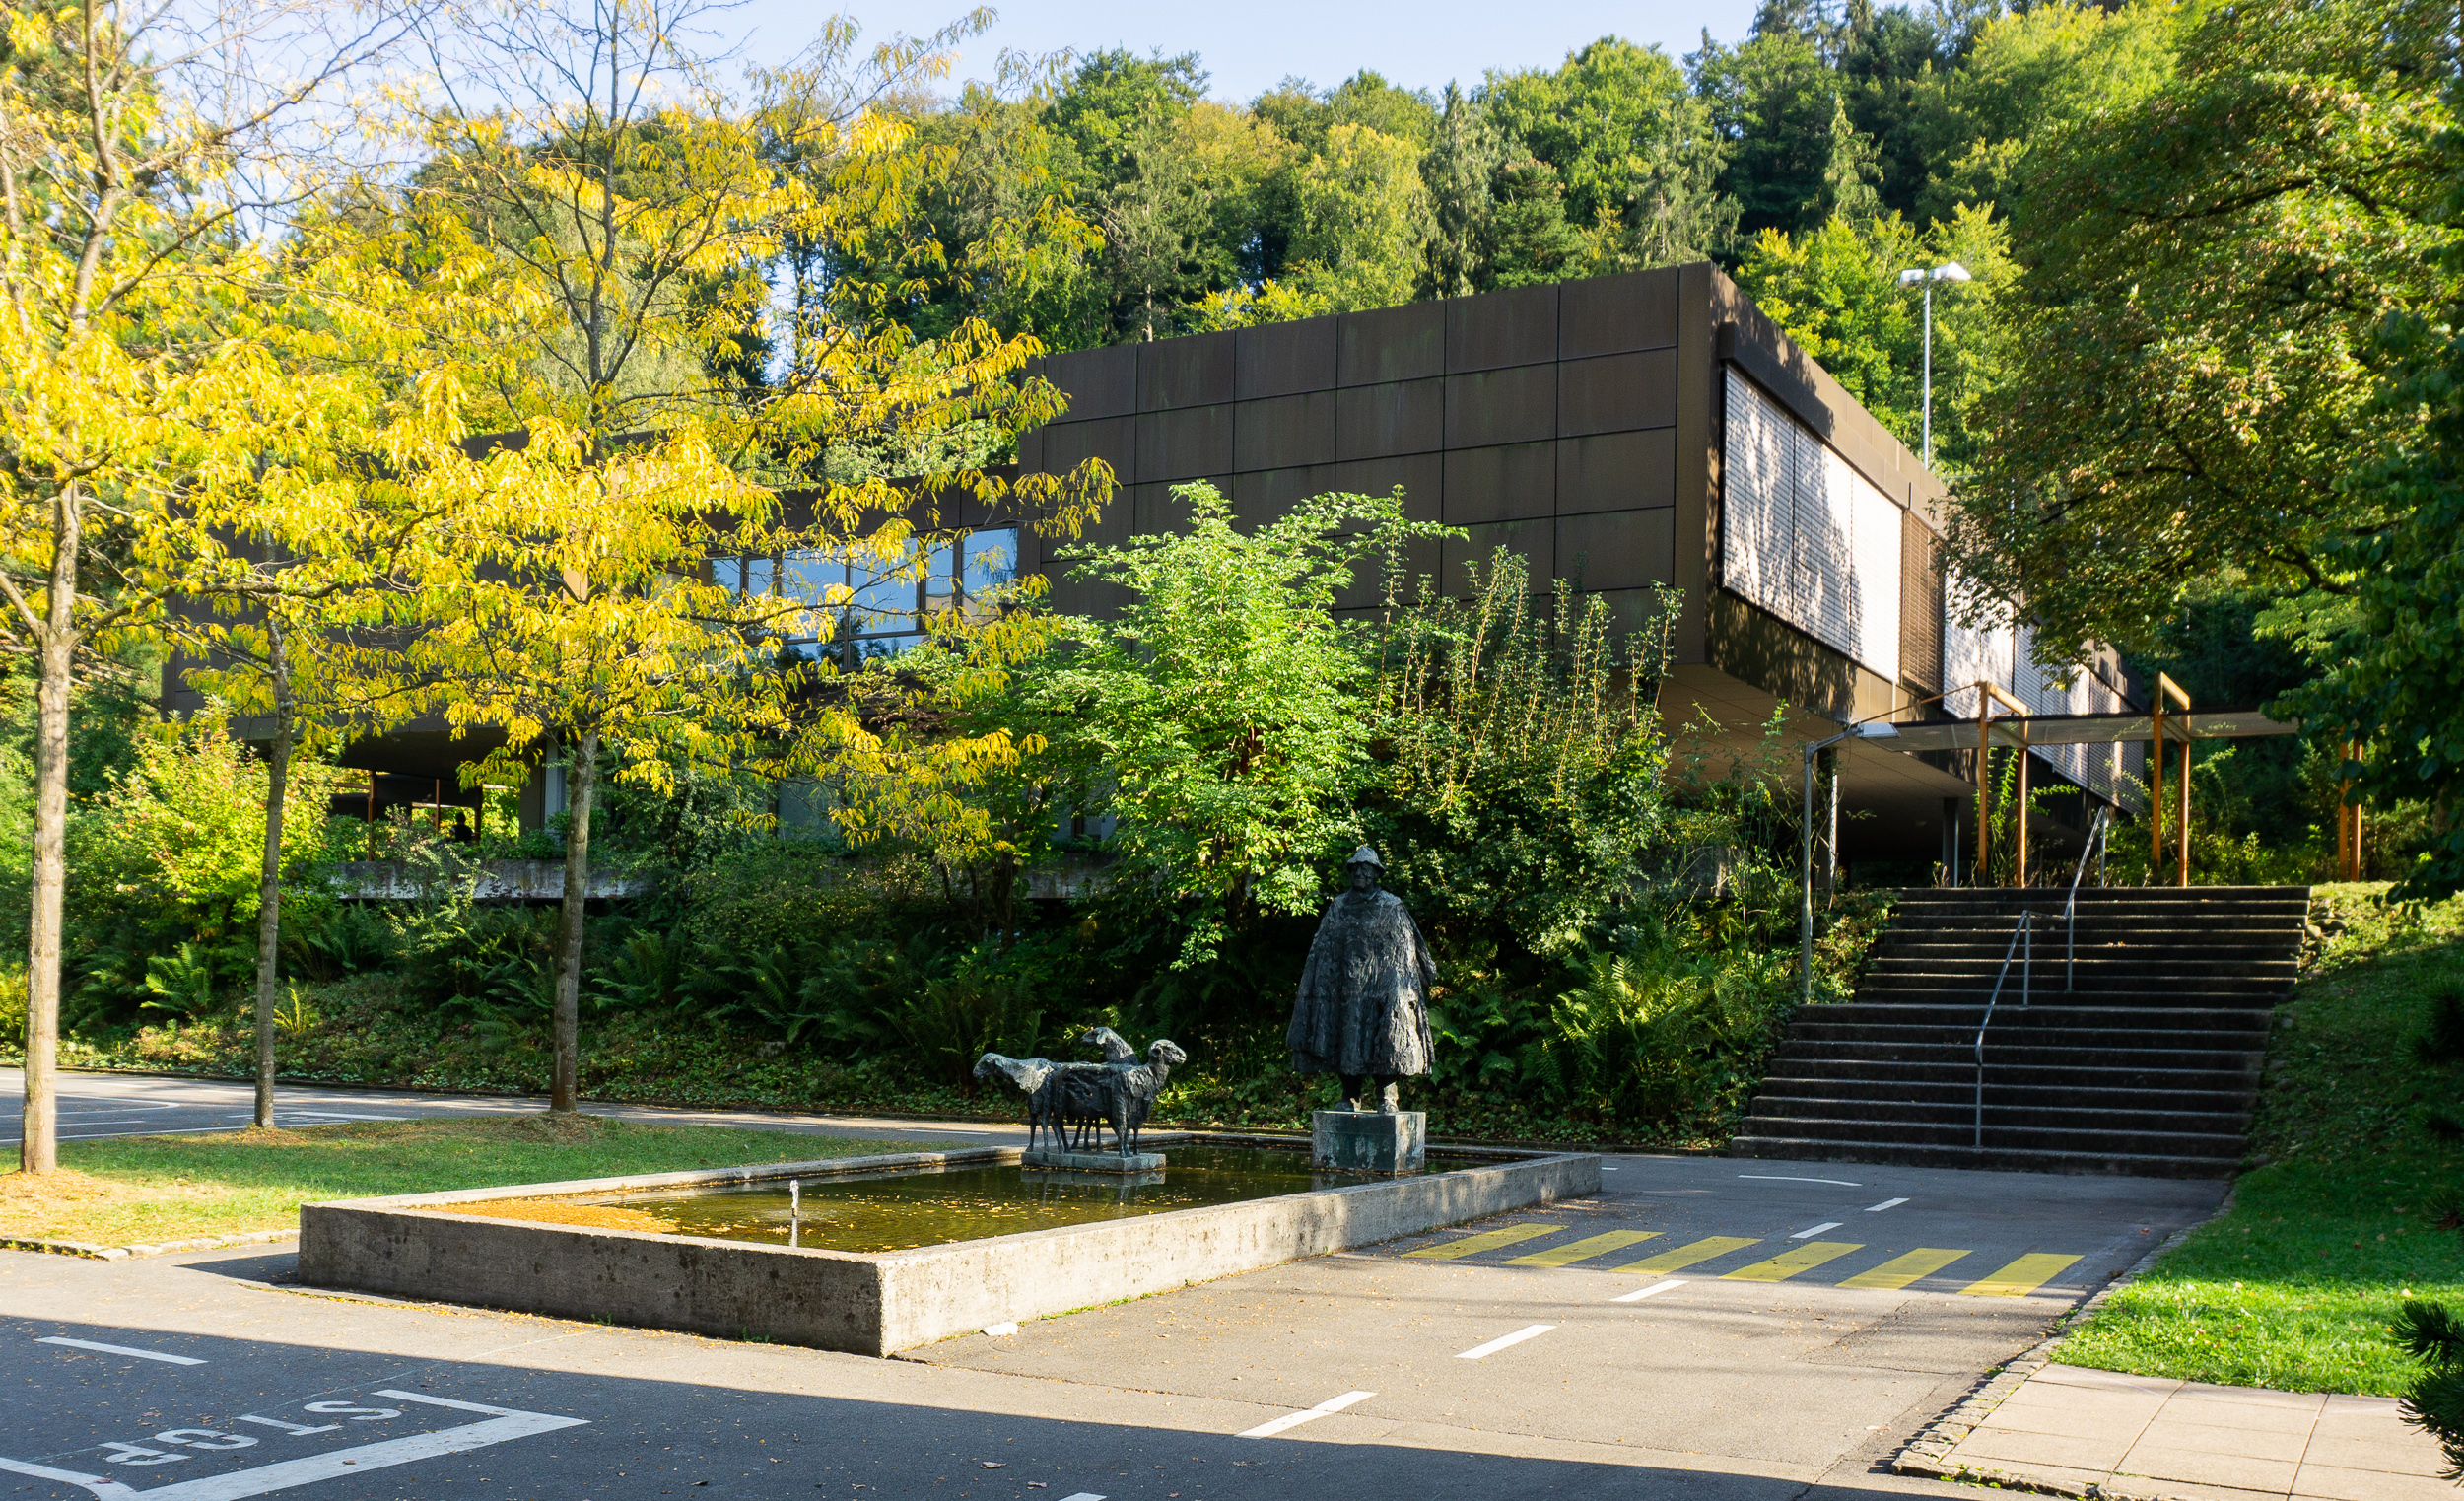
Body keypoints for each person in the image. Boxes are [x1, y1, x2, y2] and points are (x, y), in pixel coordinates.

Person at [1285, 845, 1437, 1112]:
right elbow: (1323, 947)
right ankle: (1350, 1095)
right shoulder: (1339, 906)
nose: (1359, 873)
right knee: (1347, 1039)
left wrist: (1396, 988)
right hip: (1347, 989)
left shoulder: (1391, 905)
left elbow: (1405, 947)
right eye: (1355, 868)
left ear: (1376, 874)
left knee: (1387, 1038)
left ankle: (1387, 1097)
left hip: (1381, 987)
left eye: (1365, 869)